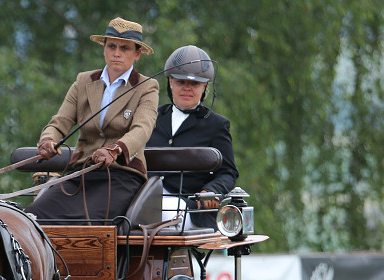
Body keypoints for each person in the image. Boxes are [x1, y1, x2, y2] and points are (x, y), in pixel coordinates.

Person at [25, 17, 159, 222]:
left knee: (89, 223)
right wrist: (47, 140)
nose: (116, 53)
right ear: (104, 48)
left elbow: (142, 129)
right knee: (32, 218)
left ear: (137, 54)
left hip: (122, 175)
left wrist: (115, 150)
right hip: (80, 173)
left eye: (125, 48)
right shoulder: (83, 82)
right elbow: (60, 121)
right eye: (112, 46)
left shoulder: (147, 87)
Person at [147, 45, 238, 230]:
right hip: (146, 196)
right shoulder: (150, 117)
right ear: (170, 82)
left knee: (160, 211)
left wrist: (211, 191)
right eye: (181, 82)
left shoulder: (216, 125)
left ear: (204, 86)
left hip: (188, 207)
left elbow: (228, 172)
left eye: (195, 84)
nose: (187, 89)